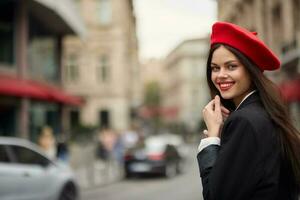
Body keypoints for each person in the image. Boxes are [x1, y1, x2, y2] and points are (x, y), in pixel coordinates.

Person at [197, 21, 300, 200]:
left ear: (250, 70)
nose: (220, 75)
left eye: (231, 66)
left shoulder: (244, 121)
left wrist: (211, 140)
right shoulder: (265, 112)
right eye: (215, 68)